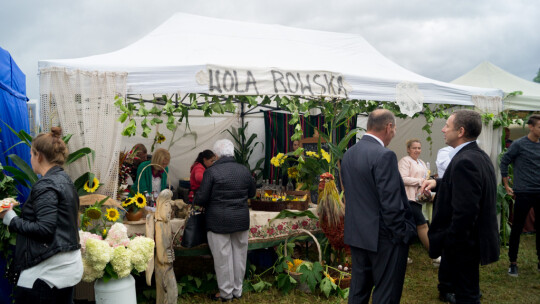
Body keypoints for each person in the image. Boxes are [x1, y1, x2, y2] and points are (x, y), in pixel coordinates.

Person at [420, 110, 499, 303]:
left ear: (461, 131)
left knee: (467, 296)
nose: (443, 129)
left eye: (447, 125)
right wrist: (437, 184)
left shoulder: (465, 161)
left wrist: (451, 242)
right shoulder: (476, 155)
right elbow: (464, 186)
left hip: (464, 244)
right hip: (470, 241)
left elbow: (466, 211)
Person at [0, 127, 82, 303]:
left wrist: (10, 218)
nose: (30, 159)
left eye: (31, 154)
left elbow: (45, 229)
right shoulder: (65, 180)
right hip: (65, 267)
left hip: (49, 272)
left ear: (39, 156)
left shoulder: (46, 185)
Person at [342, 109, 416, 304]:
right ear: (389, 127)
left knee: (358, 291)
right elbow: (391, 202)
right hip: (384, 237)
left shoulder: (349, 154)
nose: (393, 134)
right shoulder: (384, 155)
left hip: (358, 233)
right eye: (394, 130)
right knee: (386, 293)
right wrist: (402, 233)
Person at [194, 139, 256, 301]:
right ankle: (237, 290)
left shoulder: (212, 171)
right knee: (240, 256)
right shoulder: (244, 170)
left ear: (216, 155)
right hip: (241, 219)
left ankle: (226, 293)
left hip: (218, 220)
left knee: (223, 258)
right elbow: (252, 193)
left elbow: (201, 198)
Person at [500, 114, 540, 276]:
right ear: (531, 127)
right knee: (517, 227)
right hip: (523, 192)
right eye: (539, 126)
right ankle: (513, 263)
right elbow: (504, 161)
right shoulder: (519, 144)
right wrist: (506, 184)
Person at [398, 139, 431, 258]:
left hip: (418, 199)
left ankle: (402, 254)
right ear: (408, 149)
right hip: (408, 198)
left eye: (419, 148)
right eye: (414, 148)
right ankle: (433, 253)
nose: (417, 150)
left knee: (408, 227)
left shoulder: (421, 162)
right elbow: (402, 178)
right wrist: (419, 181)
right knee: (422, 224)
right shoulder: (405, 161)